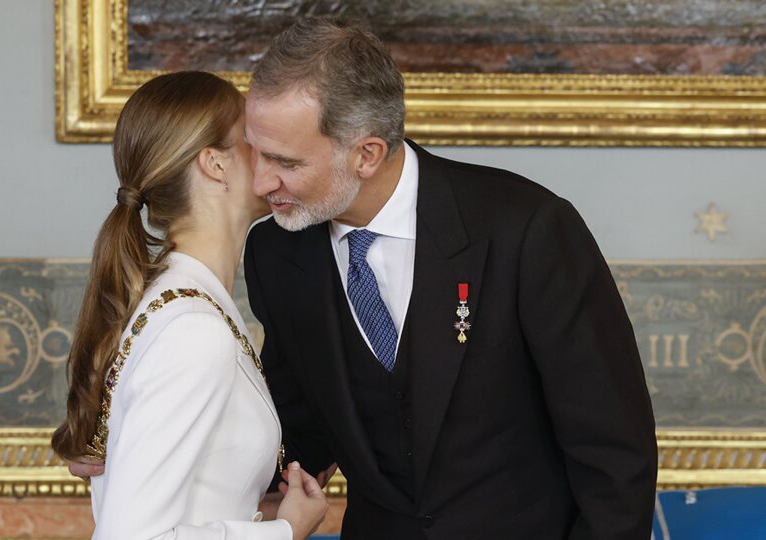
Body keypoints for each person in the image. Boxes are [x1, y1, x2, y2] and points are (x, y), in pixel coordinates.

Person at [71, 19, 659, 539]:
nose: (262, 179)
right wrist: (125, 437)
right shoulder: (277, 252)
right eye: (256, 150)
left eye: (287, 162)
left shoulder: (526, 229)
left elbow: (615, 455)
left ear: (367, 154)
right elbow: (300, 424)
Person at [52, 71, 328, 540]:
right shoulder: (193, 330)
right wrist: (285, 531)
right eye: (253, 138)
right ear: (215, 165)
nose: (271, 151)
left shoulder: (187, 305)